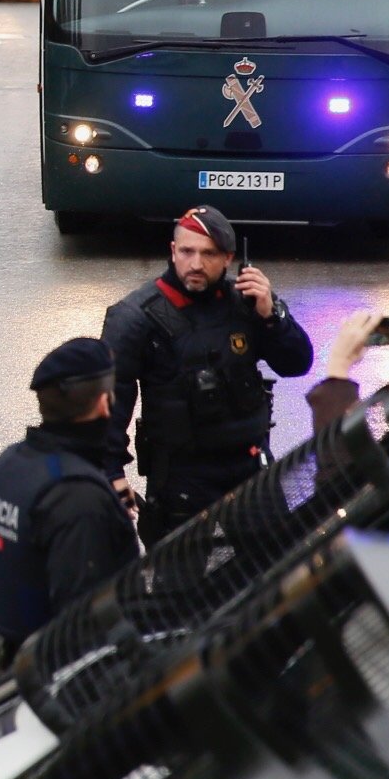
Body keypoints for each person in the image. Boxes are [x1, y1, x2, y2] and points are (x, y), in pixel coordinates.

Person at [100, 206, 313, 544]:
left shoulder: (246, 302)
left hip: (249, 469)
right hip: (181, 480)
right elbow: (110, 402)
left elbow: (297, 363)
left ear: (228, 258)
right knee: (179, 588)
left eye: (208, 254)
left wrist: (272, 316)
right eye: (187, 251)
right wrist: (110, 472)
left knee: (276, 575)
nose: (196, 264)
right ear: (173, 251)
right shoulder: (134, 319)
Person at [0, 337, 141, 674]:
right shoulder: (78, 497)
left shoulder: (7, 466)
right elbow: (83, 623)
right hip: (67, 681)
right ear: (103, 405)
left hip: (14, 660)